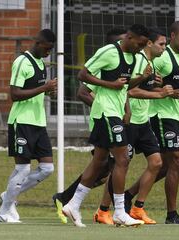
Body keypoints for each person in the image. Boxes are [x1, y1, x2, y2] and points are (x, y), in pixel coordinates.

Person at [62, 24, 149, 227]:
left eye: (145, 45)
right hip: (105, 113)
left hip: (114, 113)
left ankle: (73, 204)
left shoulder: (133, 57)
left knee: (99, 162)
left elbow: (125, 86)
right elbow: (82, 75)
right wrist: (110, 85)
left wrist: (142, 78)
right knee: (123, 159)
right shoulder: (109, 52)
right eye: (140, 43)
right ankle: (119, 211)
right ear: (129, 37)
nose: (141, 48)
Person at [52, 28, 127, 225]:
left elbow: (126, 90)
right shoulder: (106, 66)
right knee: (112, 165)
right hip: (107, 119)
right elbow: (83, 91)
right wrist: (105, 110)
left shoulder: (130, 63)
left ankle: (71, 201)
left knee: (105, 166)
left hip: (120, 118)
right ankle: (107, 210)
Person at [124, 21, 179, 225]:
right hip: (160, 115)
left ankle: (129, 195)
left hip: (178, 115)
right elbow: (148, 82)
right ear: (172, 36)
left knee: (163, 166)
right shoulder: (161, 58)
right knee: (177, 160)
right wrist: (165, 89)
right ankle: (171, 214)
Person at [0, 29, 57, 223]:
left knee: (47, 168)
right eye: (47, 49)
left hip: (38, 123)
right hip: (21, 122)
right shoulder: (21, 62)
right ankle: (4, 211)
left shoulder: (41, 64)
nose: (49, 53)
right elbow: (15, 94)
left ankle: (8, 195)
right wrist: (43, 88)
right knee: (22, 169)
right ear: (38, 43)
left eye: (51, 50)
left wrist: (48, 93)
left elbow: (35, 91)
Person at [118, 28, 173, 224]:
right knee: (115, 167)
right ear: (149, 43)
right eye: (161, 44)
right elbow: (129, 90)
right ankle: (103, 209)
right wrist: (159, 94)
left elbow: (143, 86)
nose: (164, 48)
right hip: (130, 122)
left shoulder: (150, 63)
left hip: (143, 121)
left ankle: (138, 208)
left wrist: (155, 84)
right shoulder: (138, 60)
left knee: (157, 163)